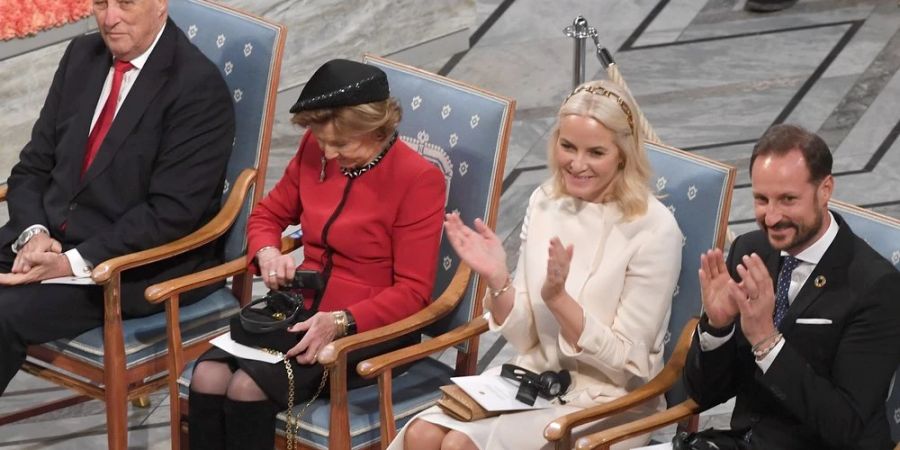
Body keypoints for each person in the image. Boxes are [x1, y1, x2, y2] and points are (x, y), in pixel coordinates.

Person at [391, 80, 683, 450]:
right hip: (532, 379)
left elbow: (629, 365)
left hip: (613, 401)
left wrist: (559, 300)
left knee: (458, 446)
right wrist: (498, 281)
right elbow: (525, 337)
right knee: (421, 435)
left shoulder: (654, 228)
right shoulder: (546, 199)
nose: (576, 164)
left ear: (623, 154)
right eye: (567, 146)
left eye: (595, 152)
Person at [187, 59, 447, 450]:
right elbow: (267, 214)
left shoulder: (418, 180)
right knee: (207, 374)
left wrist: (342, 321)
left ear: (376, 129)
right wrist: (268, 250)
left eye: (340, 144)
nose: (326, 153)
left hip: (368, 326)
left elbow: (413, 292)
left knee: (244, 387)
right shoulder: (316, 147)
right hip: (299, 309)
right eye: (321, 141)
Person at [0, 0, 234, 394]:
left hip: (125, 266)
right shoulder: (82, 56)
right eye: (101, 3)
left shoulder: (197, 88)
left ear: (160, 4)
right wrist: (35, 233)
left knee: (4, 314)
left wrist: (69, 263)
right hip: (49, 240)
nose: (109, 19)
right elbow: (33, 166)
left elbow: (170, 215)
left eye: (125, 4)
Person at [684, 124, 900, 449]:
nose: (771, 217)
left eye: (787, 200)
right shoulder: (750, 251)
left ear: (825, 189)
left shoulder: (875, 285)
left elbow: (846, 426)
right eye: (761, 199)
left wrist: (767, 341)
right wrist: (718, 328)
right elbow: (704, 393)